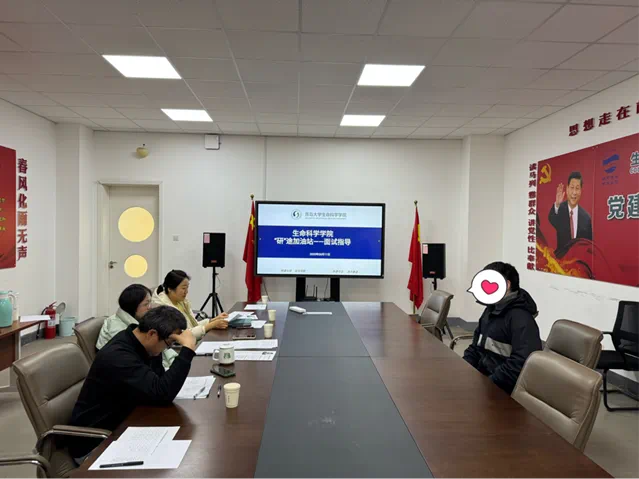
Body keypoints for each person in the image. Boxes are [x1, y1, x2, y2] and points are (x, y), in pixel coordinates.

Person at [68, 306, 196, 461]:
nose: (167, 348)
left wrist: (159, 352)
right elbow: (163, 393)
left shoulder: (142, 343)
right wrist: (187, 351)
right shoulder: (119, 356)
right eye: (169, 343)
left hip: (125, 425)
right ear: (152, 334)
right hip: (96, 444)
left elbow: (159, 380)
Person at [463, 262, 542, 394]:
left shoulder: (521, 318)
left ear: (507, 284)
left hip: (502, 389)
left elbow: (520, 364)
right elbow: (476, 347)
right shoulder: (491, 309)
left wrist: (489, 384)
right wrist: (463, 369)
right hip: (483, 378)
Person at [97, 284, 178, 369]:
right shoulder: (116, 327)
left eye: (150, 302)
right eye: (146, 304)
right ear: (132, 306)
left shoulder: (139, 320)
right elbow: (137, 359)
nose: (150, 307)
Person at [152, 270, 228, 341]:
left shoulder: (180, 301)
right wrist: (211, 325)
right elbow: (184, 335)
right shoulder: (163, 309)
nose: (186, 291)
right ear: (170, 289)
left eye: (187, 288)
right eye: (183, 288)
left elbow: (193, 325)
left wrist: (213, 320)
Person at [548, 171, 592, 251]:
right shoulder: (560, 209)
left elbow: (589, 244)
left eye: (577, 188)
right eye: (572, 187)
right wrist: (557, 204)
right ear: (567, 189)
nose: (574, 192)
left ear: (581, 191)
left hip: (579, 257)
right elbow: (552, 219)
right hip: (561, 257)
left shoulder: (586, 217)